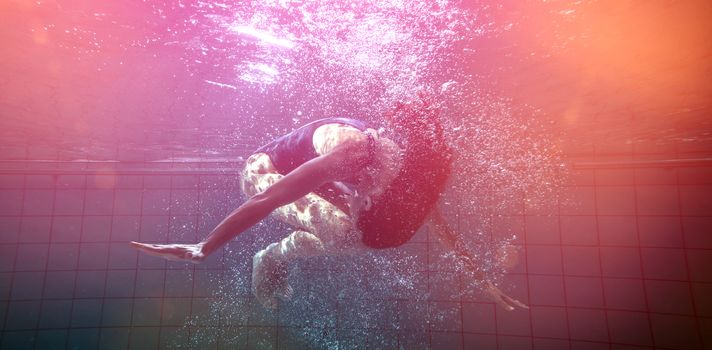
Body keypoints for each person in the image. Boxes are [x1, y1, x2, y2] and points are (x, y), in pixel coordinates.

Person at [130, 99, 527, 311]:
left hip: (316, 177)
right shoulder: (355, 152)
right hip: (263, 172)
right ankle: (269, 257)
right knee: (343, 232)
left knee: (351, 232)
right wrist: (206, 245)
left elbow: (436, 222)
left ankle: (279, 254)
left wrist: (485, 283)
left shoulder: (405, 170)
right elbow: (271, 197)